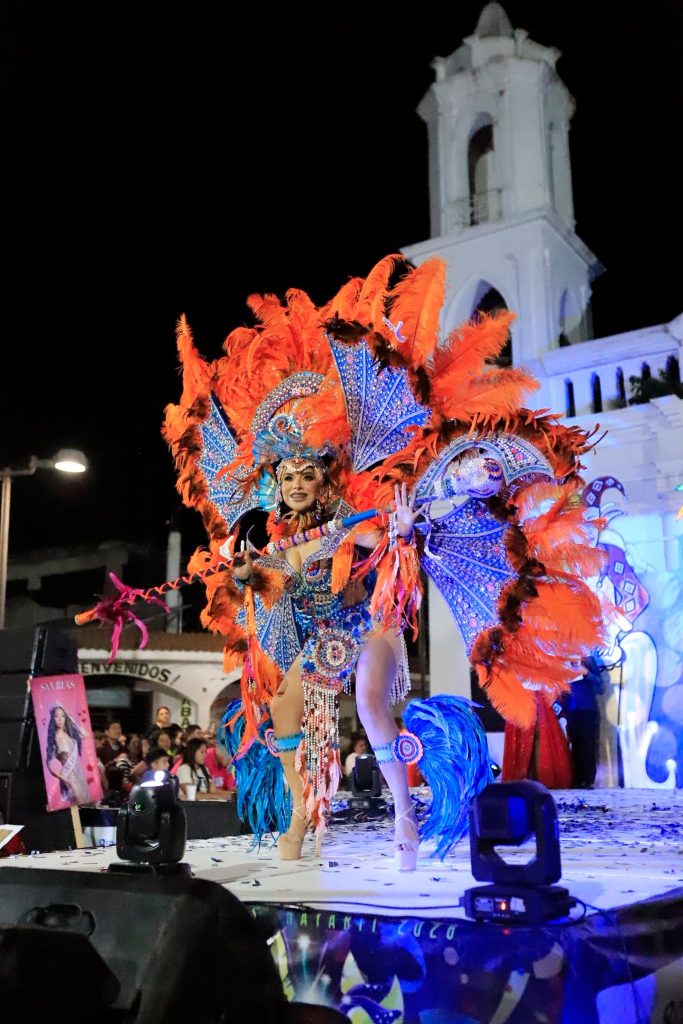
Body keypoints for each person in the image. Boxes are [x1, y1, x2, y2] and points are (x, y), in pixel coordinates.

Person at [91, 253, 605, 870]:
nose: (300, 483)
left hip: (371, 624)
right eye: (290, 475)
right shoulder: (264, 525)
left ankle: (405, 815)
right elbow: (260, 585)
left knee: (366, 701)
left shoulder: (358, 507)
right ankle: (302, 802)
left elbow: (383, 538)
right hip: (322, 631)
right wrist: (251, 571)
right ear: (276, 481)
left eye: (310, 472)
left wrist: (390, 525)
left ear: (324, 474)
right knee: (281, 701)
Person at [563, 652, 608, 788]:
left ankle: (588, 780)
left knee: (588, 746)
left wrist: (586, 673)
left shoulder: (588, 660)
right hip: (571, 711)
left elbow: (601, 687)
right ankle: (577, 779)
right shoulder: (563, 661)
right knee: (575, 746)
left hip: (588, 709)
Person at [45, 704, 91, 805]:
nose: (60, 719)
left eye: (63, 716)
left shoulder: (69, 733)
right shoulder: (54, 738)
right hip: (69, 776)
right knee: (79, 802)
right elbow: (49, 765)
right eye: (56, 716)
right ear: (52, 719)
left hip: (79, 774)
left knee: (84, 803)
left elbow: (86, 734)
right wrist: (63, 778)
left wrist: (71, 719)